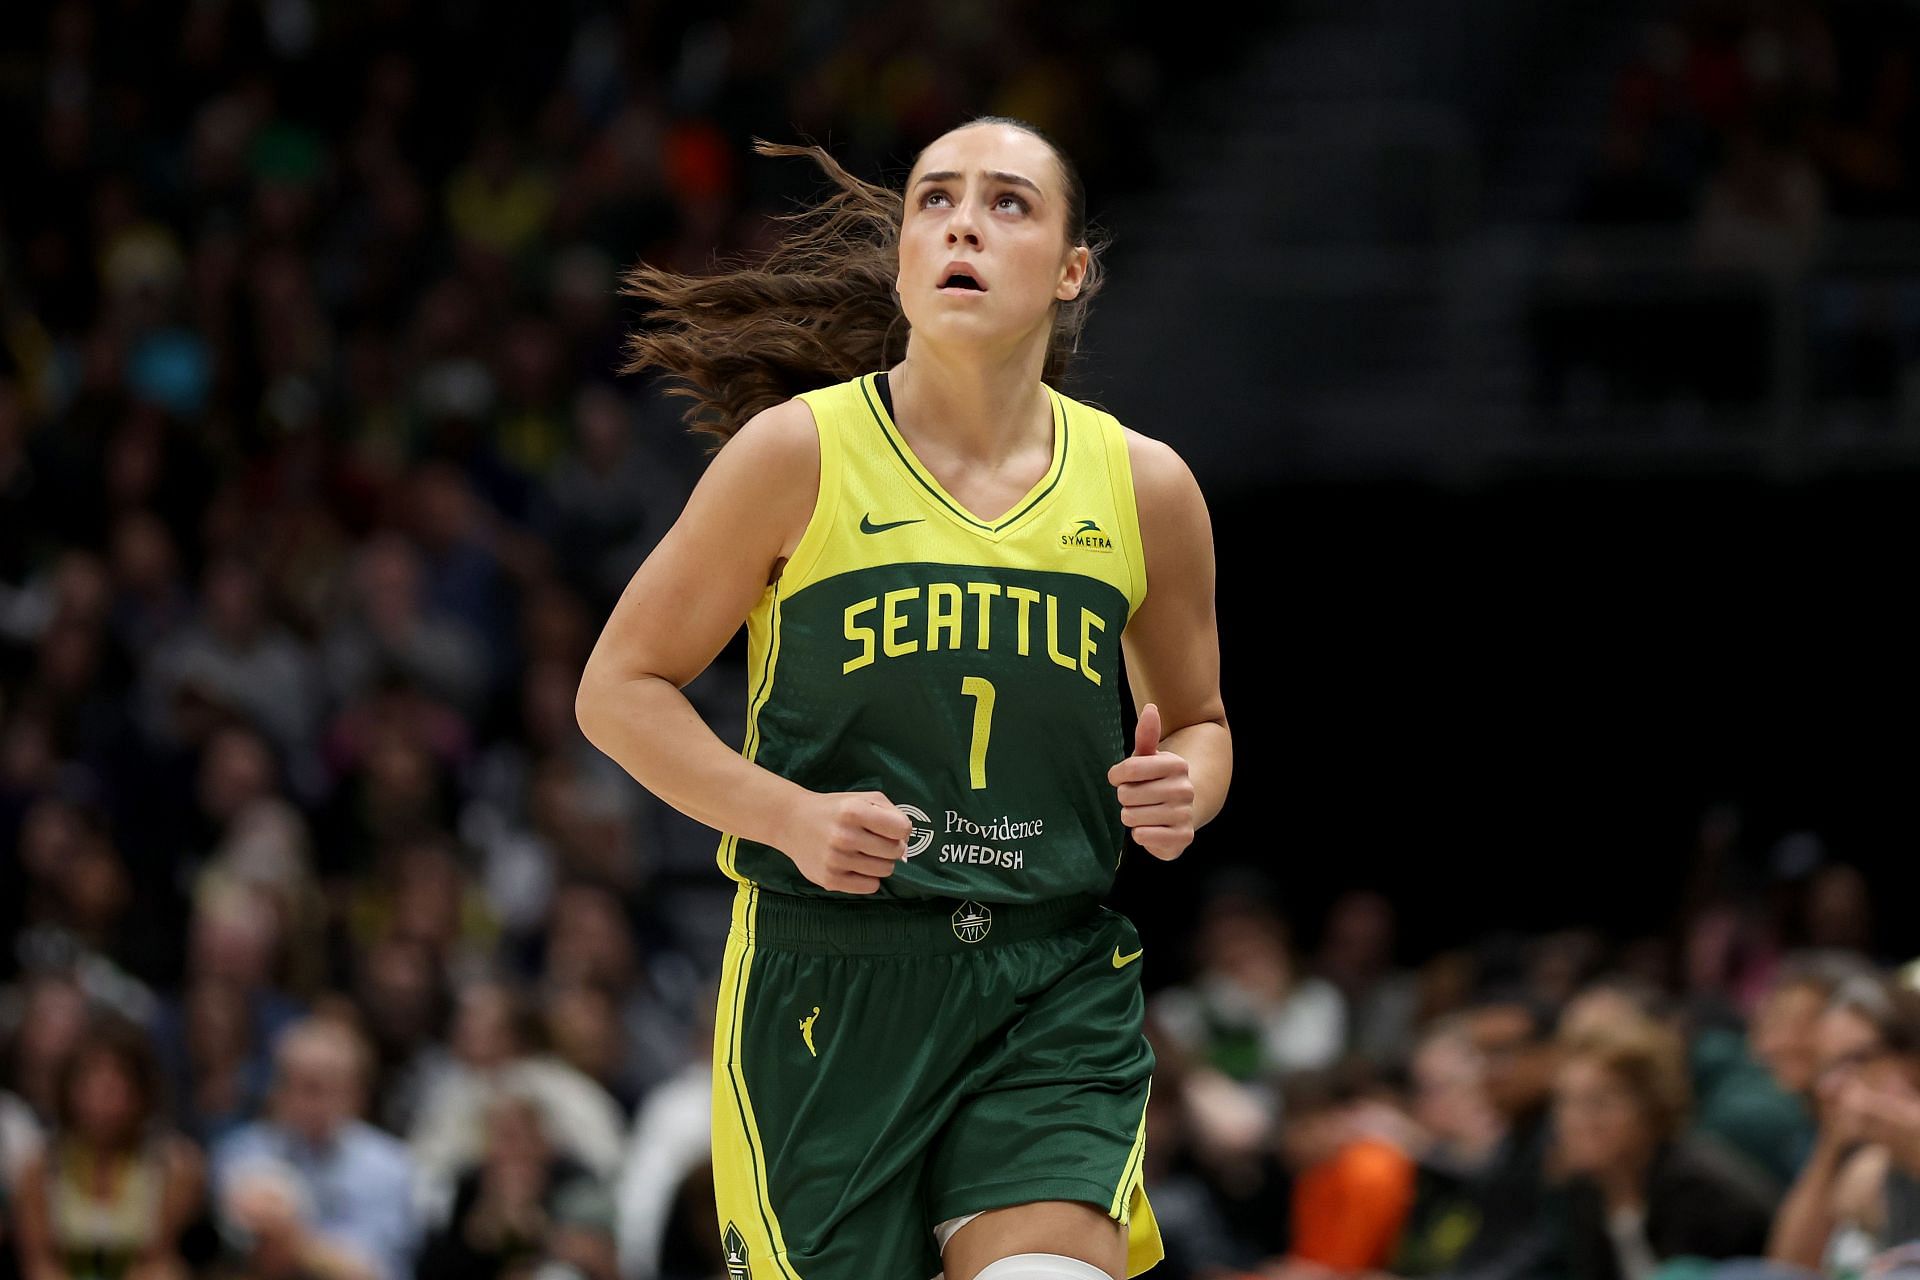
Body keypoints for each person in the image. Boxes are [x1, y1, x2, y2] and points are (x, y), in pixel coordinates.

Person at [576, 115, 1231, 1280]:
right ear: (904, 258)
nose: (964, 221)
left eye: (1009, 201)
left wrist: (1189, 785)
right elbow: (618, 691)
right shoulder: (798, 455)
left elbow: (1201, 721)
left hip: (1047, 973)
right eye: (936, 199)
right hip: (831, 979)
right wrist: (784, 814)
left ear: (1074, 270)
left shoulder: (1147, 487)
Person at [1552, 1014, 1774, 1280]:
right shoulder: (1584, 1191)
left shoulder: (1704, 1195)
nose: (1575, 1122)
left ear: (1651, 1106)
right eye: (1566, 1103)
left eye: (1597, 1104)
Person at [210, 1017, 417, 1280]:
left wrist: (292, 1239)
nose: (308, 1102)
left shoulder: (390, 1167)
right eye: (294, 1084)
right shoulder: (239, 1152)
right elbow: (239, 1255)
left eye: (320, 1088)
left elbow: (373, 1271)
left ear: (355, 1093)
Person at [10, 1018, 206, 1280]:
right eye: (90, 1081)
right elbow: (39, 1264)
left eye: (115, 1083)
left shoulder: (176, 1166)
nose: (101, 1096)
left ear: (141, 1090)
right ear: (68, 1088)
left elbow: (160, 1259)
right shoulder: (38, 1167)